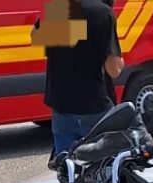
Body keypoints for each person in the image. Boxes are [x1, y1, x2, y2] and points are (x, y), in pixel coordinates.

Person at [37, 0, 125, 158]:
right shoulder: (102, 13)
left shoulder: (60, 9)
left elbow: (56, 54)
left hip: (62, 110)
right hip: (94, 108)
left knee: (67, 172)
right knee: (105, 170)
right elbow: (114, 70)